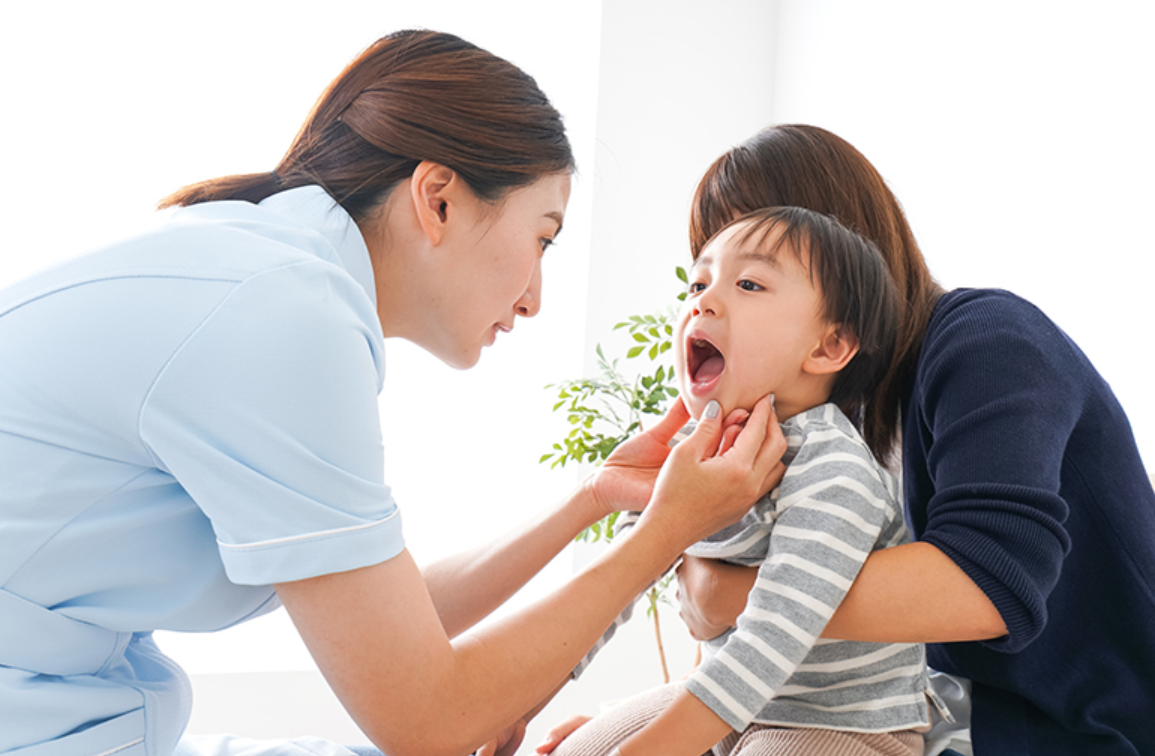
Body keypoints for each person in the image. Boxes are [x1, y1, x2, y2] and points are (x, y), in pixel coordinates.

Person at [0, 31, 788, 756]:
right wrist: (665, 533)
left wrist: (594, 497)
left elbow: (394, 625)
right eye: (540, 238)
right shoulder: (281, 320)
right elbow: (425, 718)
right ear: (437, 197)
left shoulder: (266, 274)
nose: (535, 297)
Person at [667, 124, 1155, 755]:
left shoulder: (989, 342)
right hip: (928, 706)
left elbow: (986, 585)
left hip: (1073, 724)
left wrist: (728, 595)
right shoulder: (812, 407)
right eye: (704, 276)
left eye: (753, 278)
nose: (714, 303)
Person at [550, 205, 934, 756]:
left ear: (828, 346)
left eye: (749, 283)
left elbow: (770, 639)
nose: (703, 300)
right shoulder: (691, 452)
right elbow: (616, 584)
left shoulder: (835, 469)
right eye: (699, 282)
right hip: (735, 702)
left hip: (846, 724)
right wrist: (524, 698)